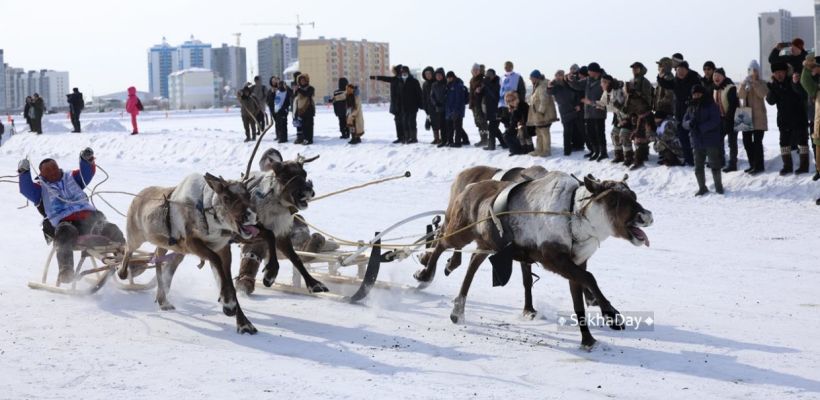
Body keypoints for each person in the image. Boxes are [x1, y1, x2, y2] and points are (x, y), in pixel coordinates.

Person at [17, 148, 125, 283]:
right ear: (42, 174)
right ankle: (66, 270)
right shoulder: (40, 188)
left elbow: (86, 174)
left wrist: (86, 160)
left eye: (54, 168)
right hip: (65, 224)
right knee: (65, 232)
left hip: (89, 220)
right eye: (48, 170)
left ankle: (128, 260)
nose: (53, 172)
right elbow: (26, 189)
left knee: (110, 228)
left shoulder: (71, 177)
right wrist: (24, 172)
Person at [766, 62, 810, 175]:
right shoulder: (775, 85)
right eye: (776, 73)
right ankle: (787, 166)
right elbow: (770, 102)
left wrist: (796, 83)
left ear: (786, 72)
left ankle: (804, 166)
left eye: (780, 72)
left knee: (802, 142)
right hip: (784, 120)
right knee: (784, 143)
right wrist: (772, 89)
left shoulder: (793, 81)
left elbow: (803, 94)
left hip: (799, 117)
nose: (778, 75)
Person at [658, 60, 702, 165]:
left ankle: (698, 159)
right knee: (683, 138)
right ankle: (688, 159)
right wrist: (660, 76)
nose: (680, 72)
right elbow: (666, 84)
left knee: (694, 139)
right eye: (678, 70)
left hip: (692, 114)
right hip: (679, 114)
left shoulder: (694, 80)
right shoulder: (676, 81)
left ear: (687, 70)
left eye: (682, 70)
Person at [683, 85, 723, 196]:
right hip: (696, 141)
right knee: (698, 167)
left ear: (703, 94)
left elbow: (715, 121)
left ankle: (718, 187)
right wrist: (689, 124)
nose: (696, 96)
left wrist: (701, 127)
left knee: (714, 164)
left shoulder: (711, 105)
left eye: (698, 94)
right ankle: (702, 188)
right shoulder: (690, 106)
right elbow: (684, 121)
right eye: (694, 94)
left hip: (710, 140)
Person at [571, 62, 608, 161]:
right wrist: (571, 80)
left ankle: (603, 152)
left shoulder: (604, 80)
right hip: (588, 112)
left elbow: (606, 97)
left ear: (595, 71)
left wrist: (590, 102)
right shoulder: (587, 80)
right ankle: (595, 151)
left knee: (599, 133)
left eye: (589, 71)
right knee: (590, 133)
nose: (588, 72)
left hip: (598, 111)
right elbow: (577, 85)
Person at [739, 60, 769, 174]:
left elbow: (762, 94)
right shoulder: (744, 83)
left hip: (759, 116)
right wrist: (743, 84)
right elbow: (740, 96)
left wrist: (754, 83)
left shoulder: (762, 83)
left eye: (755, 70)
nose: (753, 73)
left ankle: (759, 165)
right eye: (750, 70)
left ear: (758, 72)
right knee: (746, 142)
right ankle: (752, 164)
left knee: (757, 142)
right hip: (745, 115)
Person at [548, 69, 583, 155]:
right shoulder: (554, 85)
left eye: (561, 74)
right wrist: (549, 86)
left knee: (577, 128)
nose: (559, 76)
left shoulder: (568, 83)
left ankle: (578, 145)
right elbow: (549, 92)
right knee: (567, 130)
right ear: (555, 76)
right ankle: (567, 150)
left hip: (574, 107)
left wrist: (578, 104)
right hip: (564, 109)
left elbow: (576, 92)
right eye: (558, 75)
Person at [712, 68, 740, 172]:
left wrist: (728, 119)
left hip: (732, 119)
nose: (716, 78)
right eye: (714, 76)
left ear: (723, 76)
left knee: (732, 142)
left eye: (718, 75)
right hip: (720, 119)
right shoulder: (715, 89)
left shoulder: (730, 87)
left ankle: (733, 164)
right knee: (718, 140)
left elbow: (733, 105)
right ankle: (721, 160)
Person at [527, 70, 558, 157]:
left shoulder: (542, 86)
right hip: (538, 115)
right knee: (539, 132)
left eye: (532, 78)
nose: (531, 80)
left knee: (544, 132)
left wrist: (541, 111)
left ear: (536, 78)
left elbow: (544, 100)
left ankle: (546, 150)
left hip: (544, 115)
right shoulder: (537, 85)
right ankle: (538, 149)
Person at [370, 65, 404, 143]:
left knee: (402, 121)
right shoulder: (394, 79)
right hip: (396, 104)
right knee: (397, 121)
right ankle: (400, 137)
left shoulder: (403, 79)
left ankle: (404, 137)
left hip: (403, 104)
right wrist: (373, 77)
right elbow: (383, 78)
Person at [801, 53, 820, 181]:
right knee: (816, 144)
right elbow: (804, 83)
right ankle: (818, 169)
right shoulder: (807, 74)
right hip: (815, 115)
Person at [397, 65, 423, 143]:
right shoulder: (400, 82)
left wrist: (420, 104)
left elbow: (419, 93)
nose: (404, 73)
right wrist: (398, 105)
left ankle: (413, 138)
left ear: (408, 72)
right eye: (402, 72)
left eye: (405, 72)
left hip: (412, 106)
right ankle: (407, 137)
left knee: (411, 122)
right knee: (405, 122)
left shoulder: (414, 81)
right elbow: (398, 95)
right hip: (403, 107)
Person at [443, 71, 469, 148]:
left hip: (457, 110)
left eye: (450, 77)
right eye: (447, 77)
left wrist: (456, 111)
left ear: (453, 77)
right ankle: (464, 139)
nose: (448, 79)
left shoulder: (458, 85)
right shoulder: (448, 85)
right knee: (454, 126)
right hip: (450, 109)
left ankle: (458, 142)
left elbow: (459, 99)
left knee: (457, 126)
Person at [482, 68, 504, 150]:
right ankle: (504, 143)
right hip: (490, 109)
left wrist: (487, 84)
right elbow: (483, 94)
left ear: (494, 75)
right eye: (487, 75)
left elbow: (495, 95)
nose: (488, 77)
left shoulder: (498, 82)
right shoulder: (488, 83)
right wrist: (478, 91)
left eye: (490, 75)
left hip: (497, 109)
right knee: (494, 128)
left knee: (492, 128)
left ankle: (491, 146)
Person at [468, 63, 488, 147]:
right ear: (471, 71)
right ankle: (482, 138)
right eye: (474, 70)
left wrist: (480, 90)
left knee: (482, 122)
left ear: (479, 71)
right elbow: (471, 93)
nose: (475, 72)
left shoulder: (482, 79)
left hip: (480, 104)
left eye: (477, 70)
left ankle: (485, 139)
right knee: (478, 123)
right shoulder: (472, 80)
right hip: (474, 104)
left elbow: (485, 91)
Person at [268, 77, 292, 143]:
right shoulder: (276, 91)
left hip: (283, 110)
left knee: (283, 124)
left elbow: (290, 95)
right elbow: (272, 99)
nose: (280, 86)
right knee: (278, 124)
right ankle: (280, 137)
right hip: (277, 111)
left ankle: (284, 138)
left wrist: (286, 87)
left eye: (281, 84)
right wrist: (272, 93)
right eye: (279, 84)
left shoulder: (286, 91)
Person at [294, 74, 316, 145]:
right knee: (303, 126)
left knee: (309, 126)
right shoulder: (298, 89)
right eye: (301, 80)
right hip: (301, 110)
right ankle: (304, 138)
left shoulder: (310, 88)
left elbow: (307, 94)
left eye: (304, 80)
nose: (302, 82)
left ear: (307, 81)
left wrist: (298, 89)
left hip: (309, 109)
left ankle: (309, 139)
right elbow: (295, 98)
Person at [431, 68, 449, 146]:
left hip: (448, 108)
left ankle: (449, 139)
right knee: (441, 125)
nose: (438, 76)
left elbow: (448, 95)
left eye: (440, 75)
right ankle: (444, 140)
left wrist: (444, 102)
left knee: (449, 125)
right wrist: (435, 103)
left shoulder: (447, 83)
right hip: (439, 108)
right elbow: (432, 96)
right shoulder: (434, 84)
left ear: (443, 75)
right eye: (437, 75)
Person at [421, 66, 438, 144]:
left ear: (432, 73)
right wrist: (425, 107)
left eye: (429, 73)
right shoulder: (424, 84)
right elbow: (423, 96)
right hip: (429, 107)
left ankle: (444, 138)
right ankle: (436, 138)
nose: (428, 75)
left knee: (441, 123)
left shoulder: (436, 82)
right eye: (426, 74)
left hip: (437, 106)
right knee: (433, 123)